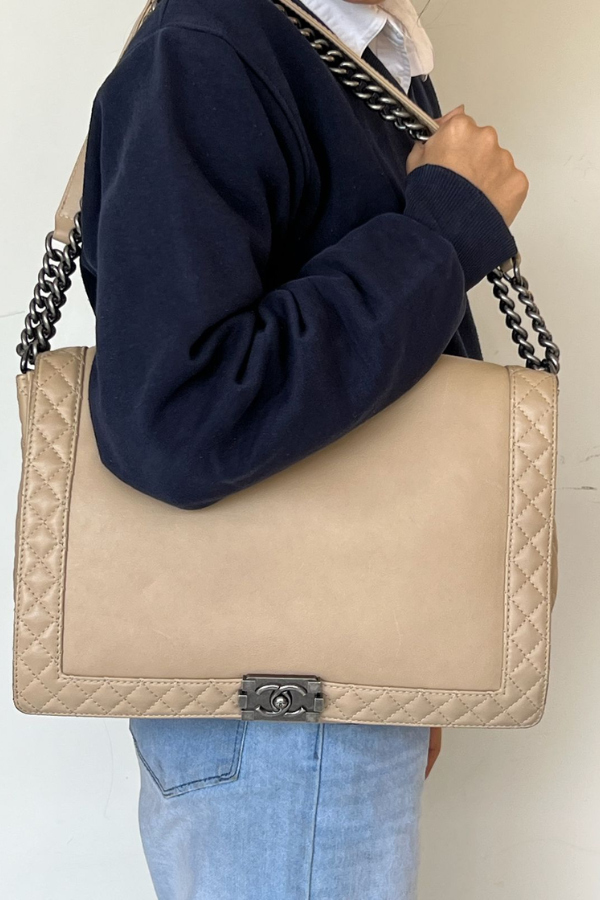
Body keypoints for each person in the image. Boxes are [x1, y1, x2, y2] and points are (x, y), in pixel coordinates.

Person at [79, 0, 528, 897]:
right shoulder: (208, 49)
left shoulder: (345, 58)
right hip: (281, 707)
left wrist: (409, 657)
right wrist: (443, 229)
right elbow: (177, 415)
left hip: (323, 680)